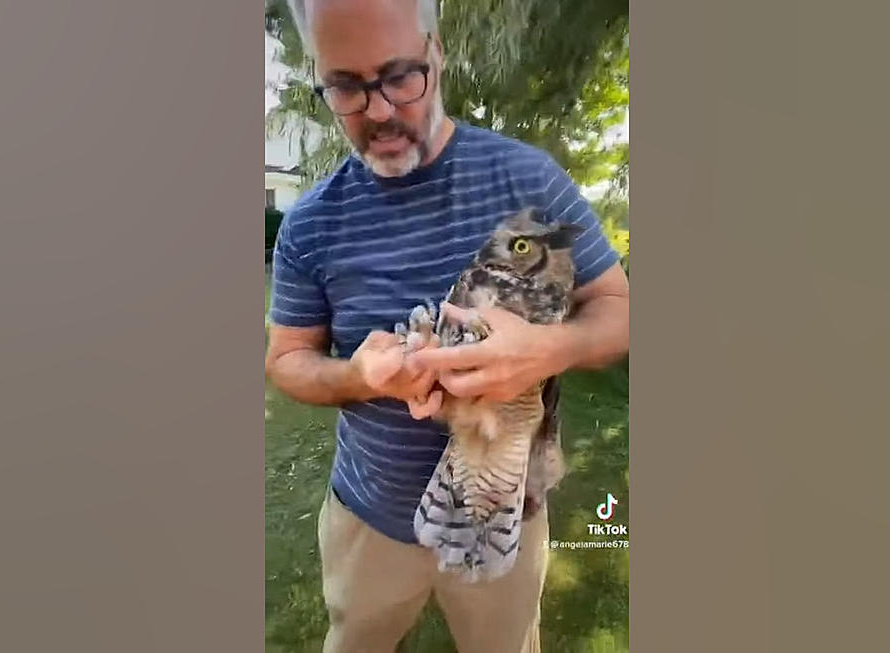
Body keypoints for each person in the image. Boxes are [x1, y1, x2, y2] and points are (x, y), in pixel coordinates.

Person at [265, 1, 629, 651]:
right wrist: (360, 375)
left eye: (400, 75)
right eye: (347, 85)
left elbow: (619, 310)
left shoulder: (528, 179)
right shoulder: (311, 222)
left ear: (437, 56)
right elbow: (287, 358)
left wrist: (545, 351)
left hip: (508, 505)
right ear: (320, 83)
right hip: (368, 519)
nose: (377, 110)